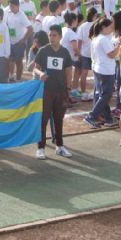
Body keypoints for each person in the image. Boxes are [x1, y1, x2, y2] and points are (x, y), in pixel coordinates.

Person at [33, 25, 74, 160]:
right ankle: (41, 147)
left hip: (60, 90)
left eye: (54, 35)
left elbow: (68, 70)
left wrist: (68, 88)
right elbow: (35, 68)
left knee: (58, 119)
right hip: (46, 90)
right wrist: (40, 74)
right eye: (50, 35)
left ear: (60, 37)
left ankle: (60, 146)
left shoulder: (64, 52)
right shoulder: (43, 51)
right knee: (43, 119)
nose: (51, 38)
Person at [85, 18, 119, 129]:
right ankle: (92, 116)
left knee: (102, 94)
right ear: (104, 27)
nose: (111, 29)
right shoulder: (103, 39)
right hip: (106, 70)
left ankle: (108, 118)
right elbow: (112, 54)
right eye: (110, 27)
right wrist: (119, 46)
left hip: (99, 69)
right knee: (106, 95)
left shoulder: (96, 38)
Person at [5, 0, 33, 82]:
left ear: (18, 6)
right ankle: (11, 76)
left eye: (13, 6)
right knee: (10, 60)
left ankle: (18, 79)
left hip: (19, 43)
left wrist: (23, 40)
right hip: (10, 42)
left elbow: (30, 28)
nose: (11, 8)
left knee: (18, 61)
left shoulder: (22, 15)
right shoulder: (8, 13)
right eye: (10, 6)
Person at [76, 8, 97, 101]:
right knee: (96, 74)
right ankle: (95, 93)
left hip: (84, 54)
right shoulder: (97, 25)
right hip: (95, 54)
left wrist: (79, 53)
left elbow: (79, 41)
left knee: (84, 74)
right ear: (93, 16)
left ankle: (84, 93)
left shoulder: (82, 26)